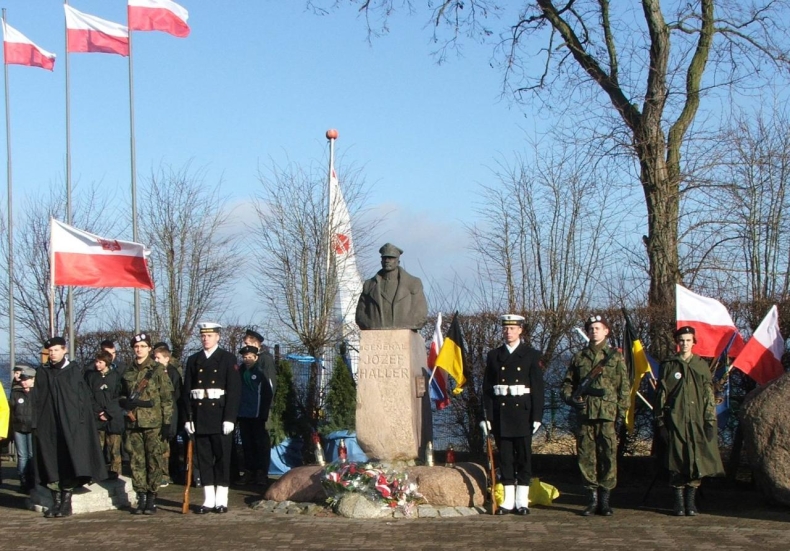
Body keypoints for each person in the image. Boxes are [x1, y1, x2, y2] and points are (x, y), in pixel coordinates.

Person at [561, 314, 629, 516]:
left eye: (598, 328)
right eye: (591, 328)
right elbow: (567, 383)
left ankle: (605, 500)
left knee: (608, 455)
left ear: (606, 331)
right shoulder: (579, 357)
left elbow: (624, 387)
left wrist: (621, 412)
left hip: (607, 413)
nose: (594, 331)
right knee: (586, 456)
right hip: (585, 413)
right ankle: (592, 499)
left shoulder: (615, 357)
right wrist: (570, 398)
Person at [34, 336, 108, 518]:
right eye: (50, 351)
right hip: (49, 427)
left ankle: (66, 504)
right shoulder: (43, 372)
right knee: (51, 463)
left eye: (56, 350)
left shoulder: (73, 372)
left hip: (71, 426)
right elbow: (38, 399)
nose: (53, 354)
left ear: (64, 350)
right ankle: (56, 502)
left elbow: (82, 400)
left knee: (69, 461)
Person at [656, 326, 725, 516]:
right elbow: (661, 394)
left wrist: (710, 420)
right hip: (675, 420)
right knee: (677, 459)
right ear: (677, 343)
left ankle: (691, 503)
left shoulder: (701, 366)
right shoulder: (669, 365)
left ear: (693, 343)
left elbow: (707, 395)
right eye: (681, 340)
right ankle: (678, 503)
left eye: (688, 340)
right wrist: (661, 421)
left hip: (696, 421)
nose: (684, 343)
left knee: (696, 460)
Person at [482, 314, 545, 515]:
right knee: (506, 458)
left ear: (520, 330)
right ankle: (508, 502)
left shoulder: (531, 355)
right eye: (505, 329)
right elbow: (487, 389)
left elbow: (538, 388)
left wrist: (537, 416)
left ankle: (521, 501)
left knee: (524, 458)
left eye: (512, 328)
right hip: (502, 413)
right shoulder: (494, 355)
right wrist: (487, 417)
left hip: (523, 413)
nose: (508, 332)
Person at [182, 322, 241, 513]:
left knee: (222, 458)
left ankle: (221, 500)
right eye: (203, 336)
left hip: (220, 415)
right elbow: (187, 392)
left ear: (218, 337)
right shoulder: (193, 360)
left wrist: (230, 418)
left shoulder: (227, 358)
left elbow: (234, 391)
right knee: (204, 459)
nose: (205, 339)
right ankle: (208, 500)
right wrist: (188, 418)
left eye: (209, 335)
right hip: (200, 415)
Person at [121, 333, 173, 515]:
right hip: (133, 422)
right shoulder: (127, 370)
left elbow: (167, 398)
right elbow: (120, 393)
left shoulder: (157, 370)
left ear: (150, 348)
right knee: (136, 461)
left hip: (153, 423)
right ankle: (141, 496)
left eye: (143, 346)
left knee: (154, 460)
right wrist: (124, 403)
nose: (139, 349)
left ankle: (152, 497)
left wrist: (167, 423)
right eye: (136, 346)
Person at [355, 243, 428, 331]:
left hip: (404, 332)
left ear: (398, 261)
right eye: (384, 258)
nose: (387, 260)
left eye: (391, 258)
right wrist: (369, 322)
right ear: (381, 261)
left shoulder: (413, 283)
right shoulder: (369, 285)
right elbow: (360, 315)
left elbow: (420, 313)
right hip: (375, 332)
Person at [236, 345, 274, 487]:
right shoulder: (239, 372)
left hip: (257, 415)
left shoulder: (260, 373)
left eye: (250, 357)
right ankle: (249, 472)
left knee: (260, 445)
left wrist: (263, 414)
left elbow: (267, 394)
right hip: (243, 415)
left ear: (256, 358)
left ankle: (261, 473)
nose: (247, 360)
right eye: (245, 357)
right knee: (247, 445)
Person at [84, 350, 125, 479]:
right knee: (96, 448)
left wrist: (108, 412)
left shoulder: (116, 376)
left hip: (113, 418)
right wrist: (98, 411)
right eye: (96, 361)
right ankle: (96, 474)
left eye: (100, 362)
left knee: (114, 450)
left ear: (107, 363)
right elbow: (87, 395)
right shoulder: (91, 376)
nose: (97, 364)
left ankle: (116, 475)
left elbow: (119, 397)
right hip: (97, 418)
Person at [152, 343, 183, 486]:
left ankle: (168, 473)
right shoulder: (153, 372)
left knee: (169, 443)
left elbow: (176, 393)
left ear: (166, 359)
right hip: (156, 412)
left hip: (170, 411)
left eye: (158, 358)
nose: (155, 361)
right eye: (154, 358)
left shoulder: (172, 373)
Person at [11, 364, 37, 493]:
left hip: (32, 427)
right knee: (22, 456)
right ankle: (23, 480)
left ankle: (33, 480)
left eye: (26, 379)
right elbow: (12, 409)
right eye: (22, 379)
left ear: (33, 379)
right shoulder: (16, 393)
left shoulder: (37, 393)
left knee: (32, 455)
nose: (24, 382)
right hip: (19, 427)